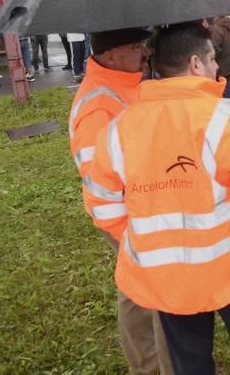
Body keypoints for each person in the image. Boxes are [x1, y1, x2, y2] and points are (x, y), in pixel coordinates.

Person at [83, 23, 230, 373]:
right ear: (196, 64)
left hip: (165, 277)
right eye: (212, 59)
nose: (216, 68)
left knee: (189, 364)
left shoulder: (119, 128)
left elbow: (102, 205)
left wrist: (144, 244)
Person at [68, 26, 173, 375]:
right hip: (131, 215)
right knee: (159, 294)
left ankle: (146, 365)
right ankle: (161, 366)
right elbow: (100, 181)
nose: (145, 52)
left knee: (137, 290)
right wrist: (134, 225)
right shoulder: (98, 104)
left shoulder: (123, 83)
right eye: (136, 46)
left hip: (143, 209)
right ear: (111, 53)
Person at [209, 15, 230, 100]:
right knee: (226, 85)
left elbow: (215, 47)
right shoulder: (228, 24)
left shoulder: (217, 27)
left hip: (221, 62)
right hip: (229, 59)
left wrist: (211, 58)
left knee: (224, 89)